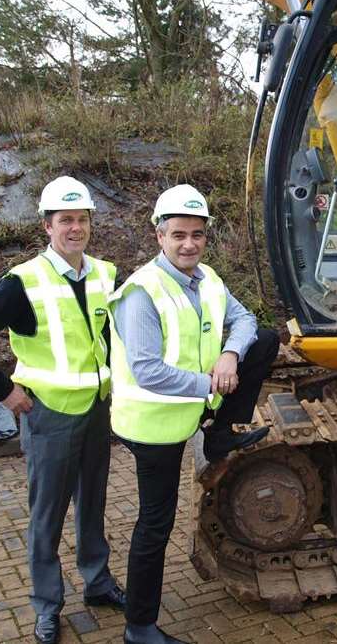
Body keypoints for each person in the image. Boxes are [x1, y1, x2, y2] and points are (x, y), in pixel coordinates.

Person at [0, 176, 125, 644]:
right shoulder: (23, 281)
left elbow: (114, 339)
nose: (75, 228)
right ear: (47, 227)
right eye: (65, 220)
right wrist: (4, 392)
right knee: (46, 514)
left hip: (95, 409)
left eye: (82, 219)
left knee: (93, 503)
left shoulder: (106, 275)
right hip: (47, 414)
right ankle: (47, 606)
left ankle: (99, 583)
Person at [109, 185, 278, 644]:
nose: (189, 244)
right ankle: (139, 627)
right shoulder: (142, 292)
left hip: (191, 410)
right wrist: (210, 384)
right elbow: (146, 370)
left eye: (197, 234)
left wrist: (227, 356)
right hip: (153, 426)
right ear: (159, 236)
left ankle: (220, 434)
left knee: (262, 340)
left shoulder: (207, 279)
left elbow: (245, 321)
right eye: (178, 234)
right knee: (154, 522)